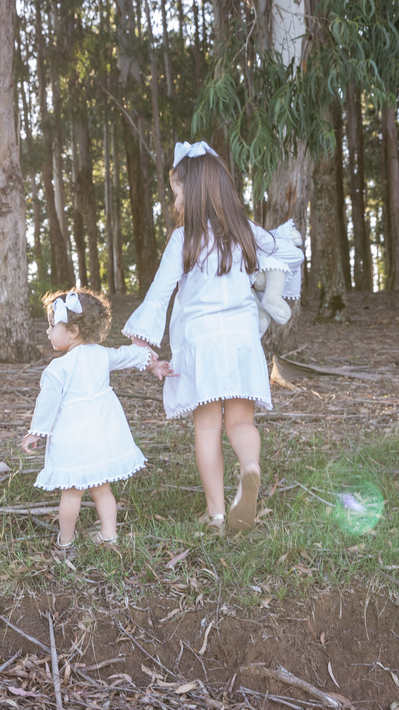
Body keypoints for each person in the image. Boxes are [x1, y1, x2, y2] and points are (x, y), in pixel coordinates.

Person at [123, 141, 304, 533]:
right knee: (241, 422)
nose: (177, 200)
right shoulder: (243, 232)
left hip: (200, 343)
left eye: (178, 192)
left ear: (192, 192)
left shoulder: (182, 240)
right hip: (241, 341)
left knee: (207, 427)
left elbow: (159, 295)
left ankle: (217, 514)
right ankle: (250, 469)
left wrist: (144, 350)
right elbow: (288, 254)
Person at [21, 289, 172, 551]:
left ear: (73, 331)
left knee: (71, 493)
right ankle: (108, 534)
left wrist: (37, 432)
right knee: (102, 490)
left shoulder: (58, 368)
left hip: (73, 439)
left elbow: (47, 404)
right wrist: (154, 365)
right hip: (102, 435)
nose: (48, 332)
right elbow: (131, 354)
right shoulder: (103, 355)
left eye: (52, 326)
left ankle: (66, 540)